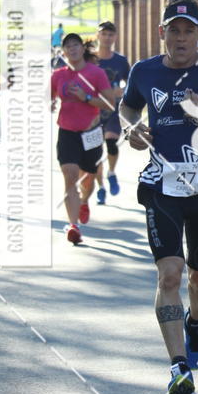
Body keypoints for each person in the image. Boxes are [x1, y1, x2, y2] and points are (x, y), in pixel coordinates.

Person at [119, 0, 198, 394]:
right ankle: (178, 366)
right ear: (162, 32)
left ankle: (194, 322)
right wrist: (132, 129)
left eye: (189, 31)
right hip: (161, 183)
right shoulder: (144, 71)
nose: (181, 38)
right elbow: (128, 106)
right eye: (174, 30)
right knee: (170, 275)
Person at [51, 33, 113, 244]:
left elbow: (109, 103)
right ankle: (73, 225)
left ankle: (84, 201)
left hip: (91, 133)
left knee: (88, 179)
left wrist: (85, 98)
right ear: (64, 51)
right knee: (69, 176)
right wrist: (50, 102)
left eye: (75, 45)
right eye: (67, 46)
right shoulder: (58, 75)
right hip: (67, 132)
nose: (72, 49)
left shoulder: (96, 73)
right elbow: (49, 95)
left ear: (81, 48)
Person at [94, 20, 131, 204]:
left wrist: (122, 91)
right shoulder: (90, 59)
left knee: (110, 142)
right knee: (94, 151)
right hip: (92, 111)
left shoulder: (121, 61)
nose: (107, 38)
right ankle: (100, 187)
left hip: (113, 111)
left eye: (111, 34)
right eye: (104, 34)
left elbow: (131, 84)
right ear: (97, 36)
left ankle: (111, 173)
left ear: (115, 37)